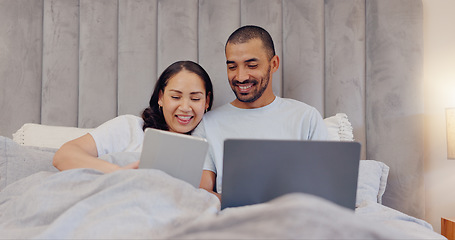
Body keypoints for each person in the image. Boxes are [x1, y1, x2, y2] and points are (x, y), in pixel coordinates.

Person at [193, 25, 328, 199]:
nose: (241, 77)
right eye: (232, 67)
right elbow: (202, 194)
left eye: (251, 65)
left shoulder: (306, 117)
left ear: (274, 64)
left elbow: (325, 187)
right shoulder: (208, 123)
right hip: (236, 219)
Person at [53, 60, 214, 173]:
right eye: (176, 97)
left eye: (195, 99)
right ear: (160, 97)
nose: (185, 108)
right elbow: (63, 156)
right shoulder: (129, 128)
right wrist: (117, 172)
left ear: (206, 102)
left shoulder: (210, 145)